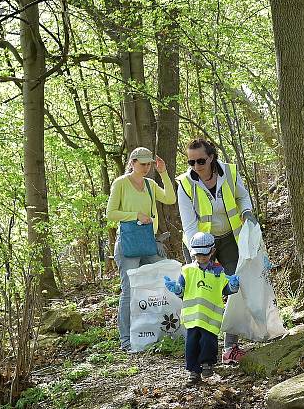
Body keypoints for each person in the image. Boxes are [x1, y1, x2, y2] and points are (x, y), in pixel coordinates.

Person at [176, 138, 258, 364]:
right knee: (203, 294)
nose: (196, 166)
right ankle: (200, 350)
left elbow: (242, 196)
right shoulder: (185, 184)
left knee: (234, 288)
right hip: (199, 246)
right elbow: (189, 224)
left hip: (230, 239)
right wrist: (201, 253)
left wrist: (247, 211)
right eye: (191, 162)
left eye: (200, 160)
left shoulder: (229, 173)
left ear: (211, 157)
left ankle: (231, 346)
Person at [106, 147, 176, 351]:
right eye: (143, 164)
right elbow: (110, 213)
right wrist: (135, 214)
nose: (146, 168)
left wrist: (163, 172)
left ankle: (162, 331)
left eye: (149, 164)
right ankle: (126, 340)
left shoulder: (150, 184)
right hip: (128, 243)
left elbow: (170, 199)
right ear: (133, 162)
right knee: (129, 291)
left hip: (148, 243)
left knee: (165, 281)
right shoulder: (121, 183)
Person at [163, 232, 239, 385]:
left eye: (204, 254)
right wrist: (176, 289)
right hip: (192, 318)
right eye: (198, 254)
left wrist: (233, 285)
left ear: (212, 251)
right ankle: (193, 372)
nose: (201, 257)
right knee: (191, 344)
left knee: (208, 342)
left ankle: (207, 365)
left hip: (211, 318)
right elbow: (182, 291)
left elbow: (225, 289)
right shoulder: (187, 270)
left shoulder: (219, 271)